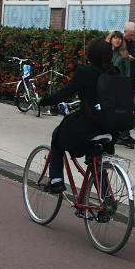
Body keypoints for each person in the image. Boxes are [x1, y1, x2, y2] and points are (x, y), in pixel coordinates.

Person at [37, 40, 119, 194]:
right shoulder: (114, 72)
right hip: (110, 127)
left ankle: (56, 181)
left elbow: (65, 93)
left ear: (91, 55)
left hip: (89, 124)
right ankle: (106, 198)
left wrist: (45, 100)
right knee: (95, 159)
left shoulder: (85, 72)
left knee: (57, 137)